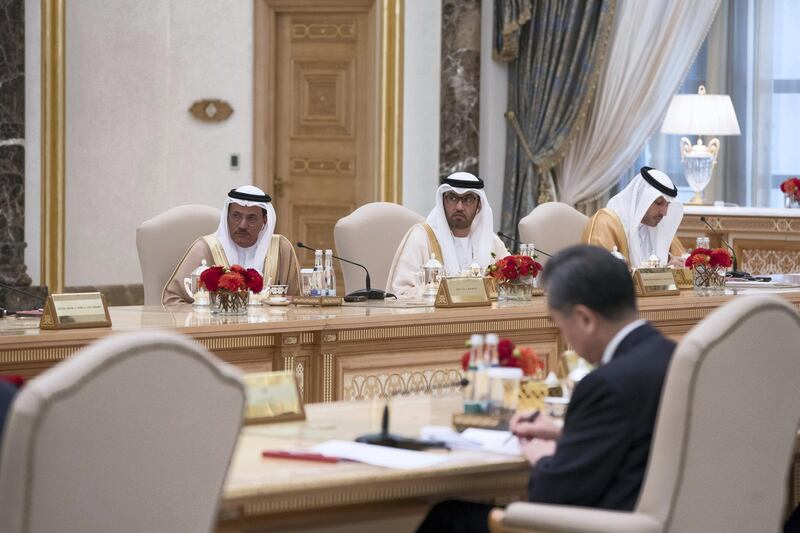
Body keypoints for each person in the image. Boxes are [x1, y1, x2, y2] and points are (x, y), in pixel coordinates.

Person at [416, 245, 676, 533]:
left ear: (585, 320)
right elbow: (646, 434)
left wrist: (544, 456)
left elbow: (550, 496)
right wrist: (566, 433)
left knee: (448, 517)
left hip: (605, 523)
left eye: (559, 324)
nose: (566, 339)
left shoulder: (606, 383)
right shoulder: (673, 356)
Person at [162, 185, 300, 307]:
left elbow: (299, 301)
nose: (242, 225)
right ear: (227, 217)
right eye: (236, 216)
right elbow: (172, 300)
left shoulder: (281, 249)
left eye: (251, 218)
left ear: (265, 220)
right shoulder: (205, 248)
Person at [386, 172, 509, 298]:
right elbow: (399, 292)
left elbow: (511, 284)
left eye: (467, 199)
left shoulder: (491, 241)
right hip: (436, 317)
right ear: (442, 202)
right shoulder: (422, 237)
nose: (459, 207)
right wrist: (440, 292)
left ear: (479, 205)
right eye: (452, 198)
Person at [582, 166, 685, 267]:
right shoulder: (605, 224)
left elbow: (683, 265)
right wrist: (662, 274)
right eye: (658, 203)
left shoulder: (661, 229)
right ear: (640, 198)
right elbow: (601, 275)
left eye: (667, 205)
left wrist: (671, 269)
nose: (664, 212)